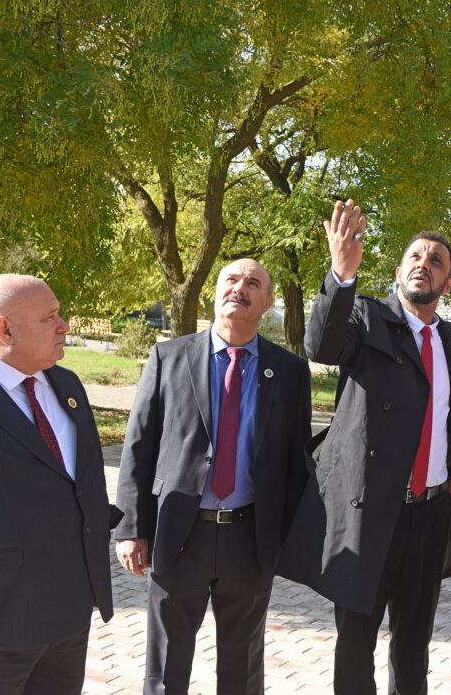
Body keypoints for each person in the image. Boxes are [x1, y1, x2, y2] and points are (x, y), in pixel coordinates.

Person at [277, 201, 451, 695]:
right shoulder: (366, 316)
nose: (423, 264)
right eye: (415, 257)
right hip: (368, 511)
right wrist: (341, 274)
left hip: (429, 515)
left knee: (413, 647)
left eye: (435, 261)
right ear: (399, 272)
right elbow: (321, 346)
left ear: (448, 284)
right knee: (355, 644)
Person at [114, 259, 311, 695]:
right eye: (231, 279)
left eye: (253, 283)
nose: (240, 287)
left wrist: (289, 539)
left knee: (243, 667)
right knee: (166, 668)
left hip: (250, 538)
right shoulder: (168, 357)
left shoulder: (290, 371)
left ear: (267, 302)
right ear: (215, 291)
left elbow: (296, 462)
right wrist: (130, 527)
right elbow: (139, 444)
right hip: (179, 534)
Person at [0, 274, 118, 694]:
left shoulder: (67, 384)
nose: (64, 325)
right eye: (50, 318)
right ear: (5, 329)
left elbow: (77, 482)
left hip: (68, 617)